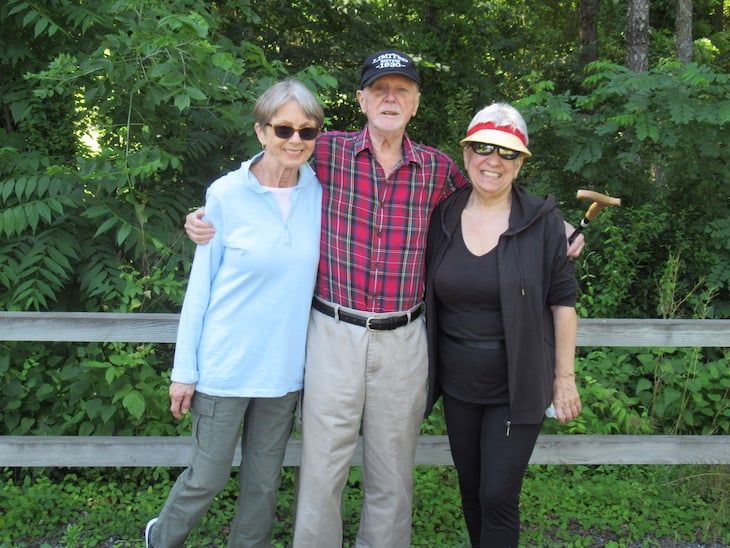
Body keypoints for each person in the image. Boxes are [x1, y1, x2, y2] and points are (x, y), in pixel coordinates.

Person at [184, 51, 584, 548]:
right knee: (321, 469)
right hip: (333, 332)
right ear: (361, 100)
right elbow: (265, 168)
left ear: (415, 105)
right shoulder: (323, 151)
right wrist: (206, 211)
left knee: (392, 475)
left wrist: (555, 223)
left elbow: (496, 188)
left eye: (402, 91)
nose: (390, 99)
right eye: (379, 90)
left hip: (404, 338)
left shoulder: (438, 169)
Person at [144, 79, 324, 548]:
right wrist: (184, 372)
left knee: (263, 486)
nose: (296, 141)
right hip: (224, 368)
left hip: (283, 373)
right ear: (261, 131)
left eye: (308, 131)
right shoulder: (225, 195)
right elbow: (199, 290)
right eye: (284, 129)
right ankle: (160, 538)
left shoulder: (322, 196)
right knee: (207, 476)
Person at [424, 102, 582, 548]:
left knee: (497, 495)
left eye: (507, 153)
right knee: (472, 494)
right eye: (483, 148)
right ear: (467, 153)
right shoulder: (442, 215)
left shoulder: (541, 221)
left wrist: (564, 379)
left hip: (517, 385)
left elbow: (563, 303)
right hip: (458, 386)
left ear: (521, 162)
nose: (493, 161)